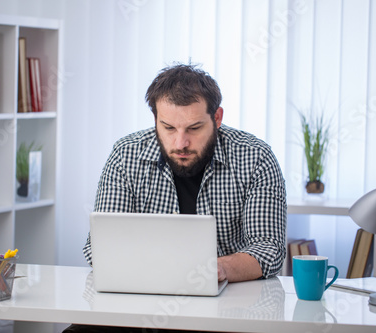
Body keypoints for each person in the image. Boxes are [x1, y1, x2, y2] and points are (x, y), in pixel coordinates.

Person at [64, 64, 286, 333]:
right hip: (135, 305)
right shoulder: (126, 155)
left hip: (226, 309)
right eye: (168, 127)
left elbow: (269, 249)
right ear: (155, 118)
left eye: (194, 128)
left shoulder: (255, 158)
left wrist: (217, 269)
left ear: (217, 117)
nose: (181, 143)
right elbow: (99, 247)